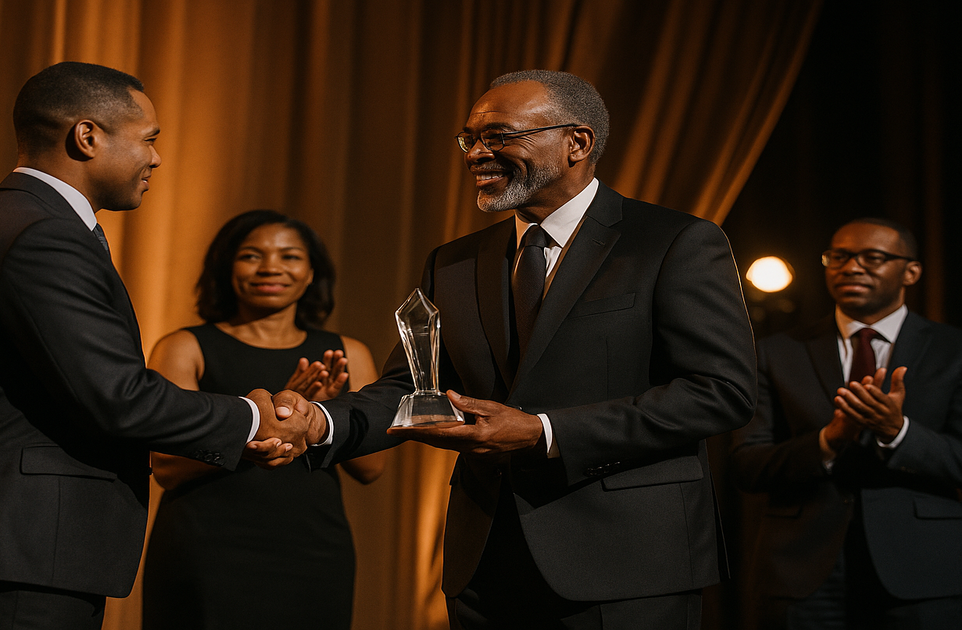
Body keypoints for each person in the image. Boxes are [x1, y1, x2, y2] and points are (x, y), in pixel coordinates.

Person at [304, 70, 757, 629]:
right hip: (485, 567)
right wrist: (318, 423)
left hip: (627, 566)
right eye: (469, 139)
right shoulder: (454, 261)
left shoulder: (674, 242)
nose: (476, 153)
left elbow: (721, 393)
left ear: (578, 143)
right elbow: (409, 390)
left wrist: (543, 432)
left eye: (499, 136)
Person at [0, 62, 312, 630]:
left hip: (12, 541)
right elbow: (116, 395)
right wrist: (252, 418)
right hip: (17, 544)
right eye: (149, 140)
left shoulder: (14, 218)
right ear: (87, 136)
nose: (156, 158)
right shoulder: (42, 234)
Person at [141, 209, 386, 630]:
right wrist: (269, 418)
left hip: (312, 552)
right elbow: (166, 468)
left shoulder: (349, 352)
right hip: (205, 548)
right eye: (252, 255)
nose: (270, 267)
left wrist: (323, 418)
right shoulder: (184, 347)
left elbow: (371, 468)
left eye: (289, 257)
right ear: (226, 266)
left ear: (311, 273)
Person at [731, 218, 962, 629]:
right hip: (802, 571)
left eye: (872, 258)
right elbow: (746, 465)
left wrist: (898, 432)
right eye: (839, 257)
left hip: (923, 571)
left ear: (911, 271)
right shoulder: (775, 352)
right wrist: (828, 441)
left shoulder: (953, 350)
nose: (851, 267)